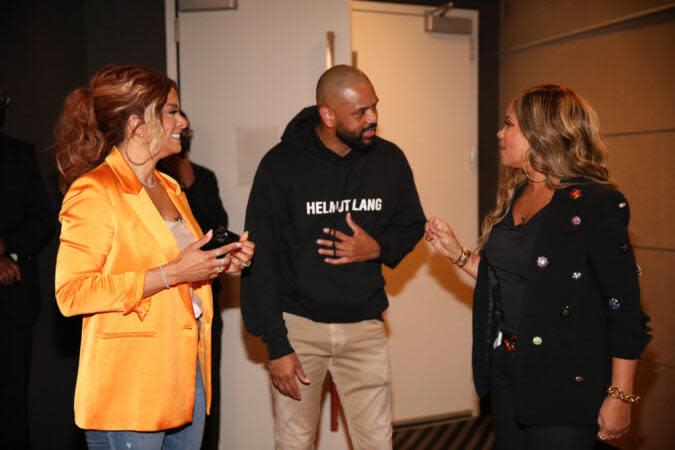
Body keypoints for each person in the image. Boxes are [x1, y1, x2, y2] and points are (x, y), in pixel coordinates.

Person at [425, 84, 651, 450]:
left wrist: (621, 396)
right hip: (509, 369)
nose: (500, 134)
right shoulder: (518, 192)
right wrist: (458, 255)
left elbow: (623, 310)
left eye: (509, 125)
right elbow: (516, 281)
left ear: (540, 134)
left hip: (564, 378)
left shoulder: (594, 204)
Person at [53, 64, 254, 450]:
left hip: (186, 370)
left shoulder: (170, 186)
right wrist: (173, 272)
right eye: (172, 111)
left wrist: (223, 263)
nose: (184, 121)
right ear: (138, 125)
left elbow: (182, 270)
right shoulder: (94, 191)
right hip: (130, 384)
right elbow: (71, 294)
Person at [241, 64, 426, 449]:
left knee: (377, 441)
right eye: (360, 112)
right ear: (328, 116)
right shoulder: (280, 166)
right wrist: (276, 345)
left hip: (365, 328)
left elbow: (411, 226)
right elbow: (260, 262)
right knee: (295, 443)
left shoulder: (389, 160)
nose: (372, 118)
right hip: (298, 330)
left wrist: (376, 248)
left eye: (374, 107)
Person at [158, 110, 229, 450]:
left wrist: (190, 181)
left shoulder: (201, 178)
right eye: (171, 116)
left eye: (184, 126)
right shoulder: (148, 184)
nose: (181, 130)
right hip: (161, 317)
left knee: (203, 406)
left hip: (203, 314)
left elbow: (215, 233)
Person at [0, 82, 57, 449]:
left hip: (12, 306)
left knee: (11, 408)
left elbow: (43, 220)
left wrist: (6, 248)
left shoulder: (19, 154)